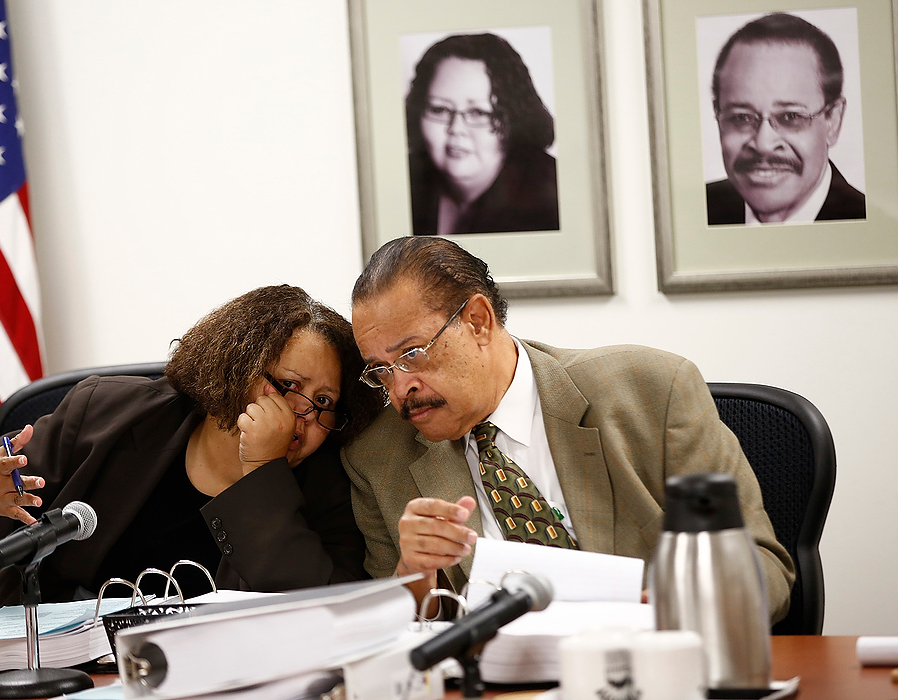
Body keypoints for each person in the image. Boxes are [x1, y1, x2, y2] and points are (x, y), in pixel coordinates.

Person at [341, 237, 794, 624]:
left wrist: (674, 609)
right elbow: (389, 636)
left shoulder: (651, 391)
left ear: (478, 321)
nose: (400, 390)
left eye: (413, 354)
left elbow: (763, 570)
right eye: (381, 371)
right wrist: (415, 574)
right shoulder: (379, 458)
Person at [0, 285, 385, 635]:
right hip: (57, 666)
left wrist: (264, 470)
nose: (303, 415)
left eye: (324, 401)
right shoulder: (106, 415)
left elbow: (323, 610)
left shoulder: (331, 477)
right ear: (236, 366)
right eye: (288, 387)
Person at [706, 12, 866, 225]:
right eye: (742, 118)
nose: (763, 144)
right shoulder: (693, 217)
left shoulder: (873, 229)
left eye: (790, 117)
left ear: (833, 121)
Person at [405, 32, 560, 236]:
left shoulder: (554, 198)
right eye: (439, 109)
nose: (456, 128)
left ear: (514, 120)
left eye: (478, 112)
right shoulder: (405, 180)